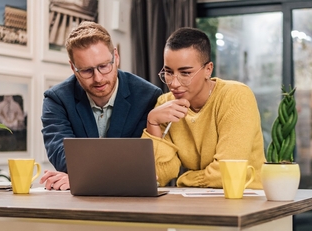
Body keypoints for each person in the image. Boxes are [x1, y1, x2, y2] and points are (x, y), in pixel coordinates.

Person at [40, 21, 162, 190]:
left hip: (134, 200)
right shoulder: (56, 99)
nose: (98, 78)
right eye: (86, 70)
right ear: (73, 68)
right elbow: (61, 154)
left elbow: (143, 164)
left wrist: (80, 176)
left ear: (116, 57)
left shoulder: (148, 97)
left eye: (104, 66)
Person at [142, 27, 265, 189]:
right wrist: (153, 122)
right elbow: (158, 176)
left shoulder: (236, 96)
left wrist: (185, 179)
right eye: (168, 72)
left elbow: (226, 173)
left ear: (208, 69)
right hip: (198, 202)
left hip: (249, 201)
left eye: (185, 73)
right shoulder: (165, 104)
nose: (174, 83)